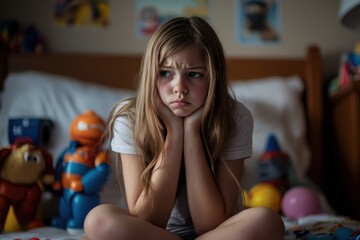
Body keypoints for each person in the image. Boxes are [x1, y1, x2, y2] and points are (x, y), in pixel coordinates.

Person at [83, 16, 285, 240]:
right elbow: (147, 220)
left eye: (194, 74)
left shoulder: (235, 117)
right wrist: (174, 133)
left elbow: (210, 225)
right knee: (98, 220)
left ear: (213, 78)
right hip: (149, 234)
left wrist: (191, 133)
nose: (179, 88)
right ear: (151, 75)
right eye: (165, 73)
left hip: (216, 234)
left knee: (269, 221)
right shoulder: (130, 117)